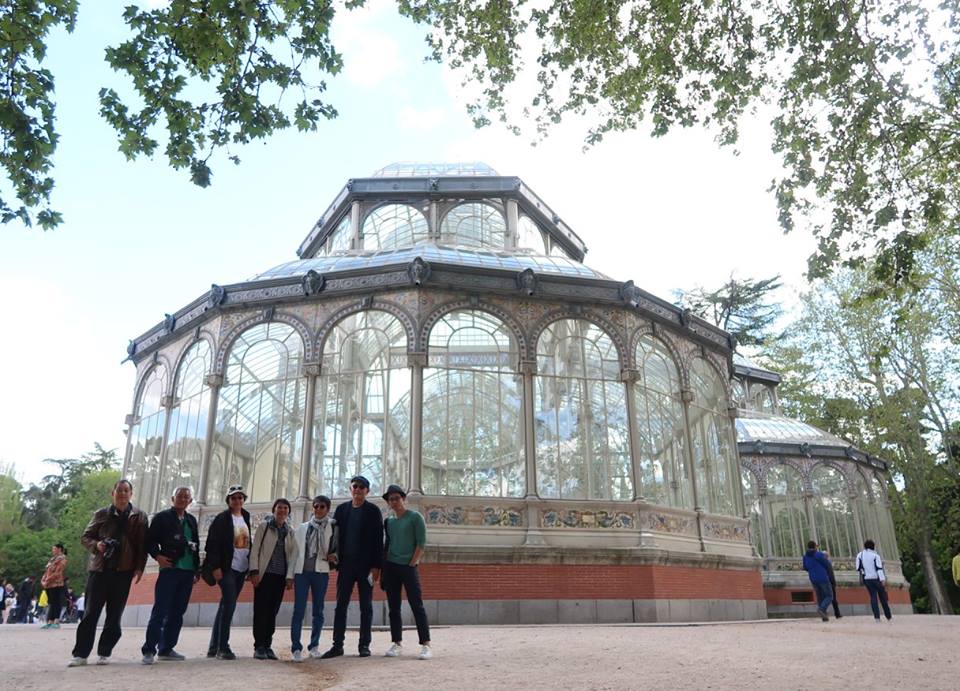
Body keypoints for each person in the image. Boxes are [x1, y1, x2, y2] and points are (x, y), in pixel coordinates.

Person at [69, 479, 148, 667]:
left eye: (126, 491)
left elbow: (142, 545)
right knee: (90, 613)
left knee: (115, 614)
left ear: (131, 494)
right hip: (100, 568)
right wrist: (97, 545)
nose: (122, 494)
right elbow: (85, 537)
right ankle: (81, 654)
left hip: (124, 570)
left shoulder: (139, 516)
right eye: (119, 490)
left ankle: (105, 651)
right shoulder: (101, 514)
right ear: (112, 493)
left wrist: (139, 567)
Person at [321, 475, 384, 659]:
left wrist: (376, 566)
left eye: (361, 487)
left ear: (367, 491)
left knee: (366, 606)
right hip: (346, 565)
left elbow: (378, 540)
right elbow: (334, 536)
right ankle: (337, 645)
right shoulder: (342, 510)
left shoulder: (373, 511)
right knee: (341, 605)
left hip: (366, 566)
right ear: (350, 489)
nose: (357, 489)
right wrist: (333, 555)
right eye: (355, 486)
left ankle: (364, 645)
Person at [141, 486, 200, 664]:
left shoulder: (191, 520)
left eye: (186, 497)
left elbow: (196, 545)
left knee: (178, 612)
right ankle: (149, 649)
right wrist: (158, 556)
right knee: (160, 610)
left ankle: (166, 648)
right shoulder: (162, 517)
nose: (183, 499)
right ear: (172, 499)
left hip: (187, 571)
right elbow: (149, 540)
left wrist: (196, 569)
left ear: (190, 501)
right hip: (170, 569)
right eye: (179, 496)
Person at [381, 485, 432, 660]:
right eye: (391, 499)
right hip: (391, 566)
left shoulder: (415, 517)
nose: (394, 501)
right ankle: (397, 643)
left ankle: (425, 644)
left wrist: (412, 563)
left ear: (404, 499)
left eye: (397, 498)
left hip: (408, 567)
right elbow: (387, 544)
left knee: (416, 604)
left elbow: (421, 543)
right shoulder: (389, 521)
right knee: (393, 607)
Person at [203, 485, 251, 660]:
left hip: (241, 568)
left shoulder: (246, 516)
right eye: (234, 498)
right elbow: (212, 544)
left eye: (240, 497)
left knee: (225, 605)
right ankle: (223, 647)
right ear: (228, 500)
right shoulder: (222, 519)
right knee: (229, 605)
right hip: (226, 568)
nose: (237, 500)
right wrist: (215, 566)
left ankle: (213, 647)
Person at [290, 495, 336, 662]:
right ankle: (296, 648)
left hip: (321, 572)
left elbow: (337, 547)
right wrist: (290, 575)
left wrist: (335, 557)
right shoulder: (302, 528)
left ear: (327, 509)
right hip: (302, 573)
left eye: (322, 506)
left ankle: (314, 646)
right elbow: (295, 553)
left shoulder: (332, 527)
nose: (318, 509)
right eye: (316, 506)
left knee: (318, 610)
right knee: (298, 610)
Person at [249, 497, 296, 660]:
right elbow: (255, 549)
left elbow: (292, 555)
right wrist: (254, 571)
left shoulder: (290, 531)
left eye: (285, 508)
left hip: (280, 577)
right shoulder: (264, 527)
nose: (282, 510)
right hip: (264, 575)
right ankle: (259, 646)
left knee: (272, 612)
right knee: (261, 610)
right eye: (279, 507)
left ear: (288, 512)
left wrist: (289, 577)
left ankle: (268, 645)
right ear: (274, 510)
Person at [855, 539, 892, 622]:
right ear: (873, 547)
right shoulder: (875, 556)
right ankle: (888, 615)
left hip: (867, 579)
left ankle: (877, 617)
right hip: (876, 578)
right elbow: (879, 568)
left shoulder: (860, 555)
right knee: (882, 597)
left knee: (873, 597)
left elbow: (858, 568)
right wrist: (882, 579)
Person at [801, 540, 833, 622]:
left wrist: (812, 570)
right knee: (829, 596)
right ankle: (822, 609)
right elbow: (827, 564)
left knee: (820, 597)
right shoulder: (819, 554)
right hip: (822, 577)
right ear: (815, 547)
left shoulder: (805, 556)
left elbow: (805, 567)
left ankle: (824, 616)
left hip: (813, 578)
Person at [41, 544, 68, 629]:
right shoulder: (52, 559)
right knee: (51, 602)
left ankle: (56, 620)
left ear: (59, 549)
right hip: (48, 584)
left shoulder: (62, 559)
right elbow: (47, 571)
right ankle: (50, 621)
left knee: (56, 602)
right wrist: (43, 580)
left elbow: (58, 572)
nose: (53, 550)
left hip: (56, 583)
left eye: (54, 549)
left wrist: (48, 579)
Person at [819, 546, 842, 619]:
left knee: (826, 598)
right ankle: (836, 613)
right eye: (826, 555)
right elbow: (831, 574)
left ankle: (828, 613)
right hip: (828, 582)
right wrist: (833, 583)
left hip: (824, 582)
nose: (827, 556)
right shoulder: (827, 563)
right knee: (832, 598)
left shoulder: (821, 563)